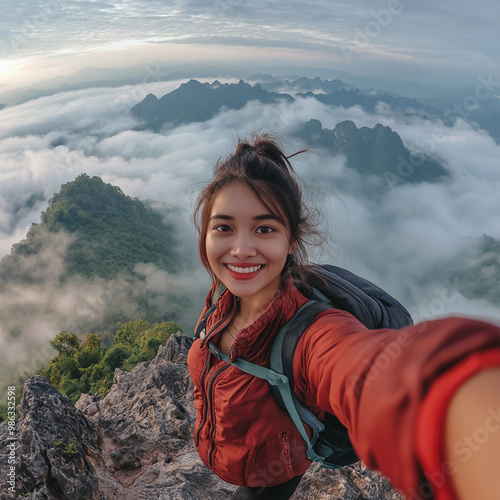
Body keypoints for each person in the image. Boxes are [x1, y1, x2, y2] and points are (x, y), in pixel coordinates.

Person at [187, 133, 500, 500]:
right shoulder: (223, 299)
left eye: (265, 229)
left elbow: (367, 371)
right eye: (224, 227)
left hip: (272, 473)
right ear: (205, 234)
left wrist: (458, 404)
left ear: (291, 241)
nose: (240, 249)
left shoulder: (311, 335)